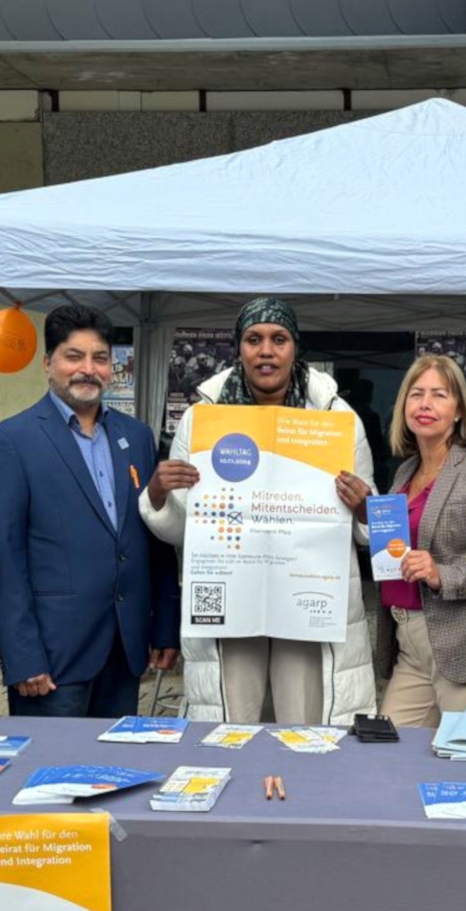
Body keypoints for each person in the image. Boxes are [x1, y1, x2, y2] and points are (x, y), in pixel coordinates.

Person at [140, 298, 377, 724]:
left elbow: (367, 529)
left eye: (278, 339)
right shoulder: (203, 419)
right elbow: (179, 530)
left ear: (294, 348)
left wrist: (366, 509)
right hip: (233, 600)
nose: (266, 350)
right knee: (231, 729)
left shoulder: (336, 418)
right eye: (254, 339)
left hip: (307, 602)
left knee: (304, 728)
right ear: (239, 349)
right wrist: (158, 494)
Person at [0, 304, 179, 717]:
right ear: (48, 363)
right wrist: (21, 654)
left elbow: (152, 537)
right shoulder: (10, 442)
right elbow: (3, 558)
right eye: (74, 356)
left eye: (100, 358)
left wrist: (163, 626)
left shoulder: (136, 436)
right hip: (52, 657)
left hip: (126, 648)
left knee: (116, 775)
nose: (88, 369)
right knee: (51, 775)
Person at [374, 354, 466, 727]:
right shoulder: (405, 471)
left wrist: (443, 574)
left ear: (459, 409)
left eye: (439, 395)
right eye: (416, 393)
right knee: (390, 757)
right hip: (408, 642)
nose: (425, 404)